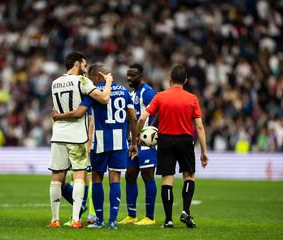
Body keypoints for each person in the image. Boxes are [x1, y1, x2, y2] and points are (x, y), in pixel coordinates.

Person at [53, 63, 138, 229]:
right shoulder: (124, 91)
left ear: (98, 76)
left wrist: (59, 116)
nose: (90, 82)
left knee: (97, 178)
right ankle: (112, 221)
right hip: (120, 142)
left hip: (100, 142)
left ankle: (99, 220)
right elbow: (133, 119)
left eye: (91, 79)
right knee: (115, 179)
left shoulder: (95, 92)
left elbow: (79, 113)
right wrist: (133, 142)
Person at [137, 65, 209, 228]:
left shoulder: (160, 96)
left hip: (165, 141)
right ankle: (185, 211)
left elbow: (143, 117)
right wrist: (204, 151)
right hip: (185, 141)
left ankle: (168, 220)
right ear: (185, 80)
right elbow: (199, 127)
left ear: (169, 79)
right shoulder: (192, 99)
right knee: (189, 177)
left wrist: (139, 136)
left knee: (167, 180)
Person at [48, 52, 113, 229]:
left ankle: (55, 220)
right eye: (84, 65)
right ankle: (76, 219)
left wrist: (59, 118)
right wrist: (108, 82)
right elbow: (105, 98)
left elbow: (54, 113)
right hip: (76, 135)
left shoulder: (55, 83)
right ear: (76, 64)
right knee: (79, 176)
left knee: (56, 177)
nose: (86, 69)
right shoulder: (82, 81)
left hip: (58, 135)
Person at [119, 64, 157, 225]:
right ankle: (131, 215)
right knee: (130, 175)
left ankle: (149, 217)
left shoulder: (147, 93)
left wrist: (150, 133)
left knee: (147, 176)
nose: (129, 78)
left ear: (141, 76)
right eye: (128, 75)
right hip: (133, 142)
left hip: (145, 143)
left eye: (133, 75)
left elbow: (158, 112)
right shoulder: (131, 93)